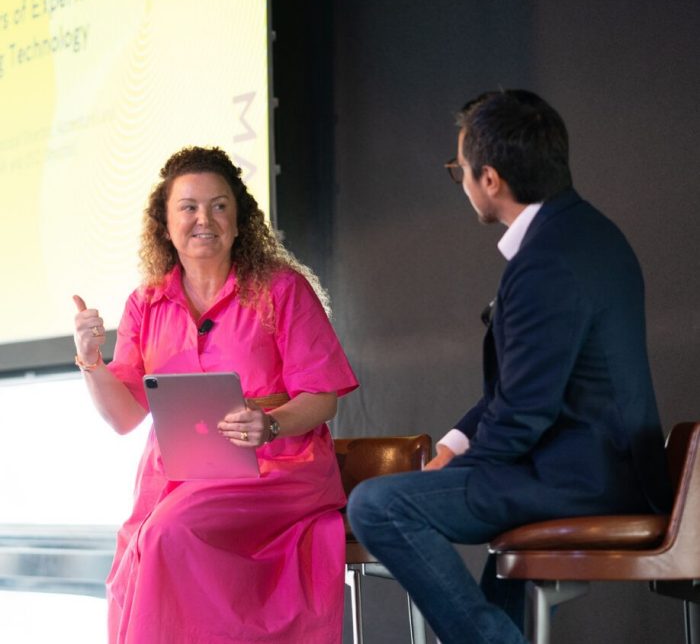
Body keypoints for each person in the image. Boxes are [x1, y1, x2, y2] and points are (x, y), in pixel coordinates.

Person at [347, 90, 672, 644]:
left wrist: (463, 474)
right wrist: (455, 444)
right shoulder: (584, 233)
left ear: (490, 179)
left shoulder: (548, 260)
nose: (463, 183)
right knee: (466, 532)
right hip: (597, 464)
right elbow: (522, 388)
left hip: (582, 477)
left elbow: (523, 409)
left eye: (460, 171)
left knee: (377, 505)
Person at [72, 146, 358, 643]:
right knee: (138, 547)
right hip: (175, 479)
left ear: (239, 219)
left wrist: (268, 424)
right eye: (188, 207)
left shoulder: (281, 288)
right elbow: (123, 418)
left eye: (219, 205)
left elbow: (322, 396)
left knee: (168, 532)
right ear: (165, 224)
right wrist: (91, 360)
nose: (204, 218)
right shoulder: (145, 302)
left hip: (277, 467)